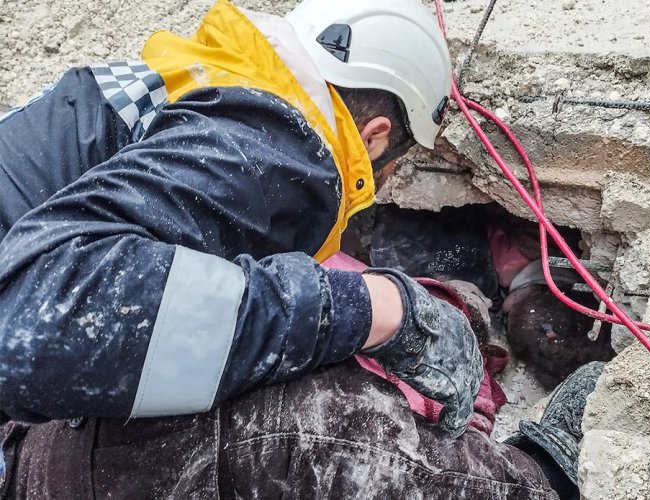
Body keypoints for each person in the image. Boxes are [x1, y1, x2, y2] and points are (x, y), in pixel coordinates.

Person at [0, 0, 585, 498]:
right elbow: (31, 324)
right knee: (307, 425)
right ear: (377, 135)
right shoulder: (275, 141)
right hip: (18, 436)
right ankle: (530, 480)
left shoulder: (215, 83)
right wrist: (376, 310)